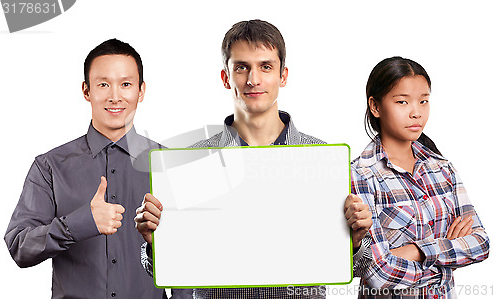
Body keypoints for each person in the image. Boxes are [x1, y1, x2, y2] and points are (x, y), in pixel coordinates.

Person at [135, 20, 373, 299]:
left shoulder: (323, 160)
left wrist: (355, 241)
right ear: (226, 77)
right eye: (241, 67)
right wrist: (156, 243)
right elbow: (165, 271)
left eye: (266, 66)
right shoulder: (192, 162)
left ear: (283, 75)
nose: (253, 79)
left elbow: (357, 268)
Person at [4, 38, 169, 298]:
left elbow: (191, 260)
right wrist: (80, 223)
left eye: (125, 84)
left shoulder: (167, 165)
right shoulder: (50, 167)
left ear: (141, 90)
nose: (115, 96)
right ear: (86, 90)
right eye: (103, 84)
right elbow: (19, 247)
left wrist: (156, 245)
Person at [351, 56, 490, 298]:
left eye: (424, 101)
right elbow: (377, 274)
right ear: (375, 106)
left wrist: (417, 251)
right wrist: (446, 257)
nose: (416, 112)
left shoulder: (442, 169)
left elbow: (481, 243)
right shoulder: (360, 174)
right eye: (403, 102)